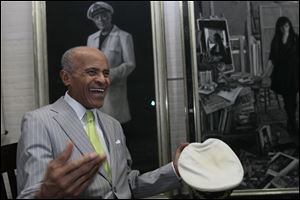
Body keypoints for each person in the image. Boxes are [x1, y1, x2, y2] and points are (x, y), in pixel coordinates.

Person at [16, 47, 188, 198]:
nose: (103, 80)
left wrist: (175, 170)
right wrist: (46, 193)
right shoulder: (38, 122)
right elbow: (29, 194)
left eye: (106, 73)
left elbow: (123, 186)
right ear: (66, 77)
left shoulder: (113, 125)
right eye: (92, 72)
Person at [86, 2, 135, 125]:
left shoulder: (123, 36)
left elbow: (130, 64)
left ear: (110, 16)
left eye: (103, 15)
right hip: (95, 93)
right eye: (96, 17)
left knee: (116, 130)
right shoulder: (91, 39)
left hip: (114, 93)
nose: (100, 19)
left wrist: (109, 75)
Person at [262, 16, 299, 135]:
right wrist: (265, 74)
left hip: (294, 72)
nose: (285, 29)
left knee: (291, 99)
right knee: (287, 98)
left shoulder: (295, 38)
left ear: (290, 26)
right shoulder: (276, 40)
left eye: (286, 26)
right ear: (279, 28)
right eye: (282, 27)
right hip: (282, 74)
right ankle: (291, 120)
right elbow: (272, 59)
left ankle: (291, 120)